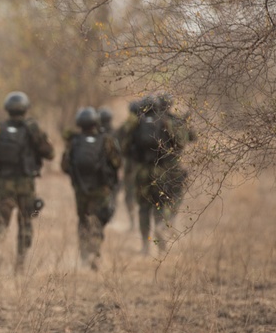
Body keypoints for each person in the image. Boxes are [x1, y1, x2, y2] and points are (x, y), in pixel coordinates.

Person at [0, 91, 55, 273]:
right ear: (25, 109)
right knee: (26, 222)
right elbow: (50, 153)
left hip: (3, 184)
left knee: (0, 221)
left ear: (7, 109)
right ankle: (20, 264)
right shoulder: (32, 129)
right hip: (26, 184)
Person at [122, 93, 194, 253]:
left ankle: (145, 246)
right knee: (161, 204)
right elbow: (181, 143)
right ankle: (161, 232)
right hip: (161, 170)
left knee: (143, 208)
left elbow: (125, 148)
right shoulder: (166, 122)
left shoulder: (137, 124)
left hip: (142, 171)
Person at [61, 107, 122, 269]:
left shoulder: (74, 141)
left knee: (83, 221)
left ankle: (83, 257)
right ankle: (94, 253)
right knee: (97, 220)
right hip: (101, 188)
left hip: (81, 190)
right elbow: (117, 163)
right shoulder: (106, 140)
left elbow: (65, 166)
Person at [117, 99, 143, 231]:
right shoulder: (147, 125)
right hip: (145, 166)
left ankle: (133, 222)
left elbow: (119, 145)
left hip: (130, 167)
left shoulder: (126, 126)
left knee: (130, 195)